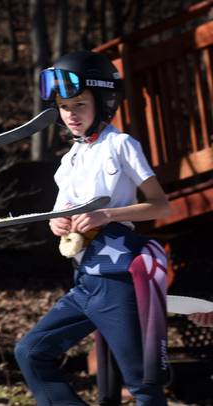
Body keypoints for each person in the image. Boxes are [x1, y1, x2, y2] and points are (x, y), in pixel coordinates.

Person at [14, 50, 172, 405]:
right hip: (84, 282)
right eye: (64, 106)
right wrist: (57, 222)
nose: (71, 114)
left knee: (143, 384)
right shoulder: (68, 161)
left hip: (118, 283)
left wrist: (108, 216)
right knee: (30, 352)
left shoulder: (121, 146)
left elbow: (162, 204)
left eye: (80, 104)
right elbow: (62, 216)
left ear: (103, 101)